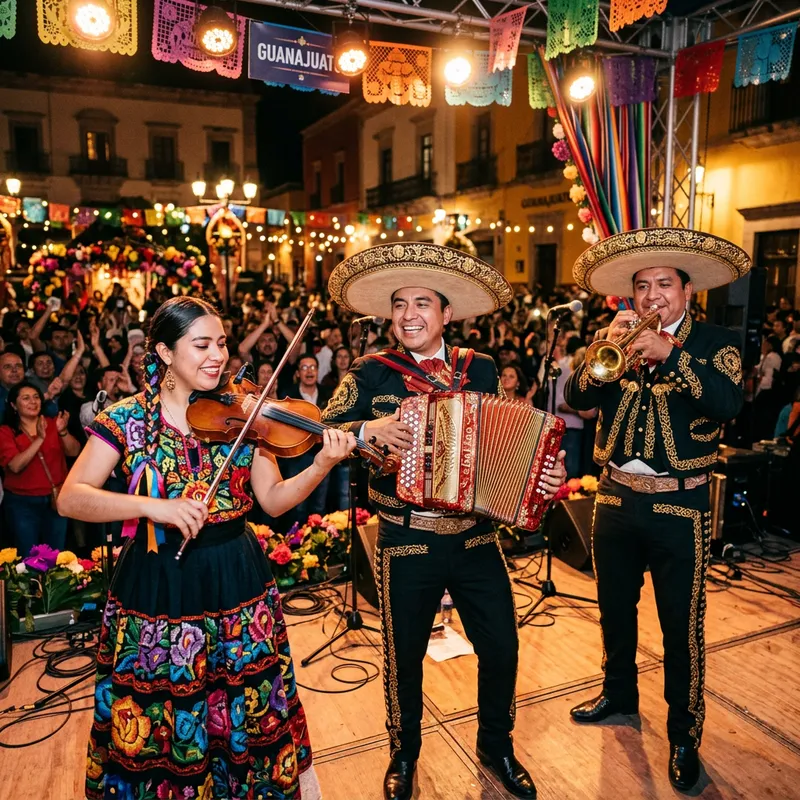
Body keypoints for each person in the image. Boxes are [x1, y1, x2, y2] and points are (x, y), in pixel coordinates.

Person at [58, 296, 356, 800]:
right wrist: (155, 509)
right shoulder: (129, 419)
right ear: (164, 352)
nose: (217, 355)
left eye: (220, 342)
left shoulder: (242, 416)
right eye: (202, 344)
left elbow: (274, 500)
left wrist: (321, 466)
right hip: (158, 583)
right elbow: (71, 498)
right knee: (166, 709)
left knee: (245, 703)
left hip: (236, 576)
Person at [322, 244, 566, 800]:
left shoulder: (478, 367)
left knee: (502, 645)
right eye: (400, 305)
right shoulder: (369, 372)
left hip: (476, 536)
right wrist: (368, 431)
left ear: (446, 313)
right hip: (406, 536)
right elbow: (325, 427)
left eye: (422, 304)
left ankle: (496, 745)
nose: (409, 315)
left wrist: (543, 478)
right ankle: (404, 755)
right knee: (404, 654)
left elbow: (509, 440)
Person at [565, 228, 750, 792]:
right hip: (615, 497)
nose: (651, 298)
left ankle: (683, 734)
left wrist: (672, 355)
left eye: (663, 285)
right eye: (642, 287)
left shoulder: (718, 342)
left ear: (687, 291)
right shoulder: (613, 339)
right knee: (615, 612)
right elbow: (576, 398)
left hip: (681, 505)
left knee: (680, 628)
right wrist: (604, 353)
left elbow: (728, 404)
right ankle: (619, 694)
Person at [0, 381, 81, 554]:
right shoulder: (6, 431)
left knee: (56, 556)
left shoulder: (54, 423)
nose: (33, 402)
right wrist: (40, 439)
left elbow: (74, 452)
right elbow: (15, 466)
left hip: (55, 499)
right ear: (14, 405)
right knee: (28, 558)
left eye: (36, 397)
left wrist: (62, 432)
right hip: (22, 504)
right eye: (26, 398)